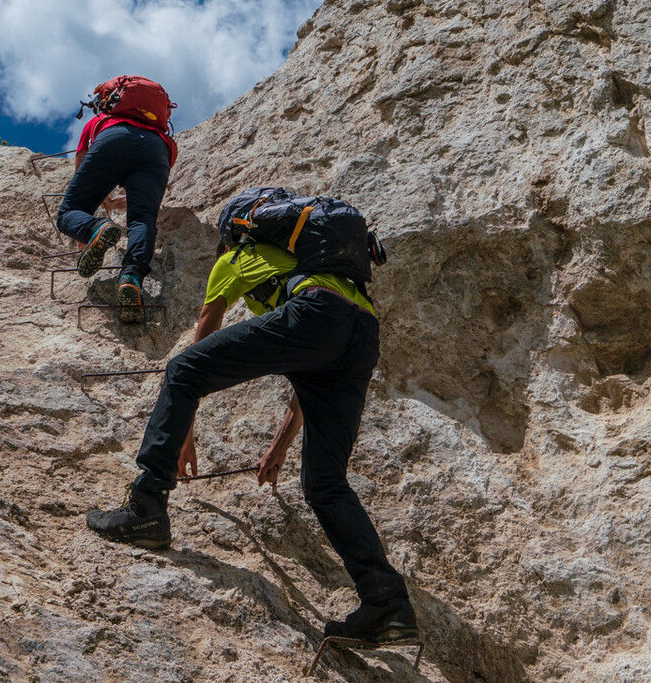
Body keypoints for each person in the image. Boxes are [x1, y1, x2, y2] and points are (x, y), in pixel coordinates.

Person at [85, 219, 419, 645]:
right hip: (362, 332)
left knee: (182, 369)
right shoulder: (318, 268)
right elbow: (314, 375)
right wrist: (279, 447)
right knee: (325, 481)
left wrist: (185, 432)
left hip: (317, 314)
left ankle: (146, 507)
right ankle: (387, 604)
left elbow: (198, 351)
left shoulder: (234, 258)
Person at [56, 76, 177, 323]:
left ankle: (96, 228)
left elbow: (82, 169)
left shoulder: (100, 120)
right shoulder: (164, 139)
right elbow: (142, 201)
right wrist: (112, 203)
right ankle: (131, 277)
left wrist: (87, 232)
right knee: (142, 219)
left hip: (113, 138)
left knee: (69, 211)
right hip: (157, 151)